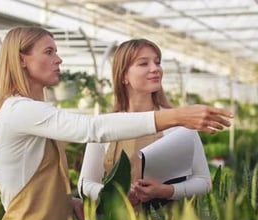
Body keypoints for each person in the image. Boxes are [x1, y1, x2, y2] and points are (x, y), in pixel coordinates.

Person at [0, 26, 233, 220]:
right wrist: (176, 115)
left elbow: (30, 181)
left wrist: (65, 203)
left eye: (56, 51)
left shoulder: (32, 110)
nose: (59, 59)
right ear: (22, 59)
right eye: (48, 51)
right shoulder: (19, 110)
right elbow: (91, 128)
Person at [77, 38, 212, 210]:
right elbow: (85, 184)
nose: (155, 69)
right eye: (143, 64)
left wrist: (166, 191)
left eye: (157, 62)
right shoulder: (105, 125)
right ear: (124, 75)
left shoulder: (179, 125)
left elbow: (204, 182)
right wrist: (116, 193)